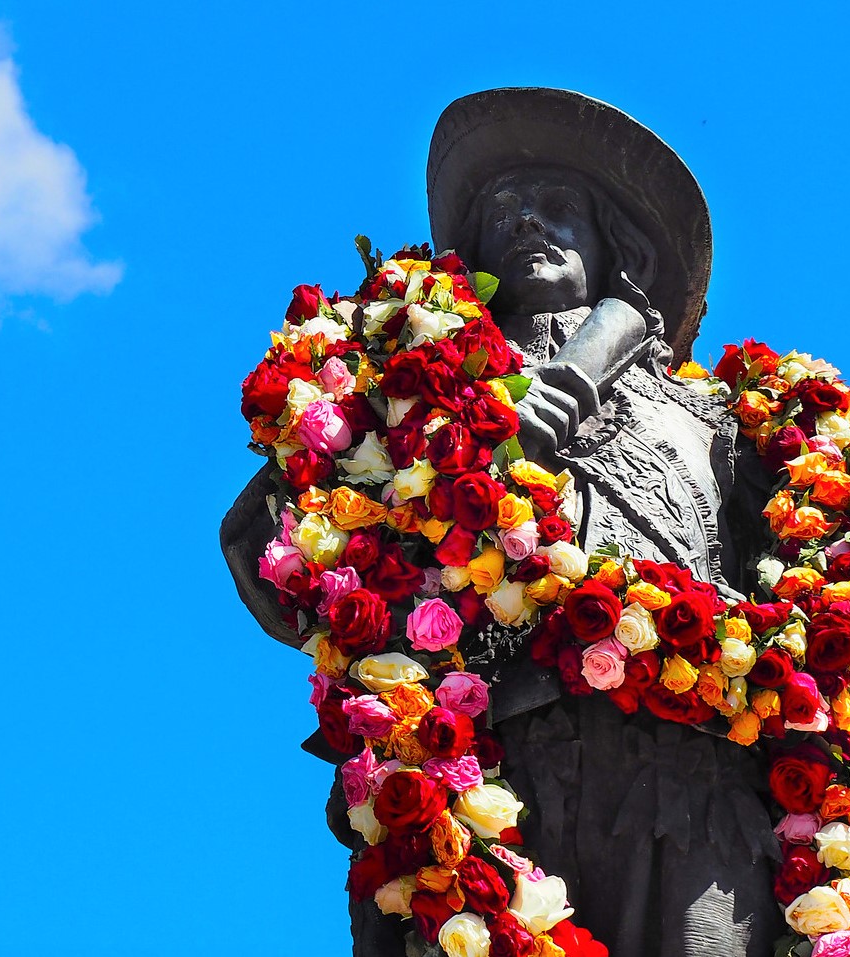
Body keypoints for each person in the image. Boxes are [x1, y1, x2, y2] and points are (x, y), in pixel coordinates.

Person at [223, 88, 779, 956]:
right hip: (490, 761)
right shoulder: (409, 386)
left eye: (558, 208)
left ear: (613, 247)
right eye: (504, 213)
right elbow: (272, 546)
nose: (528, 225)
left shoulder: (714, 421)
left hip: (697, 771)